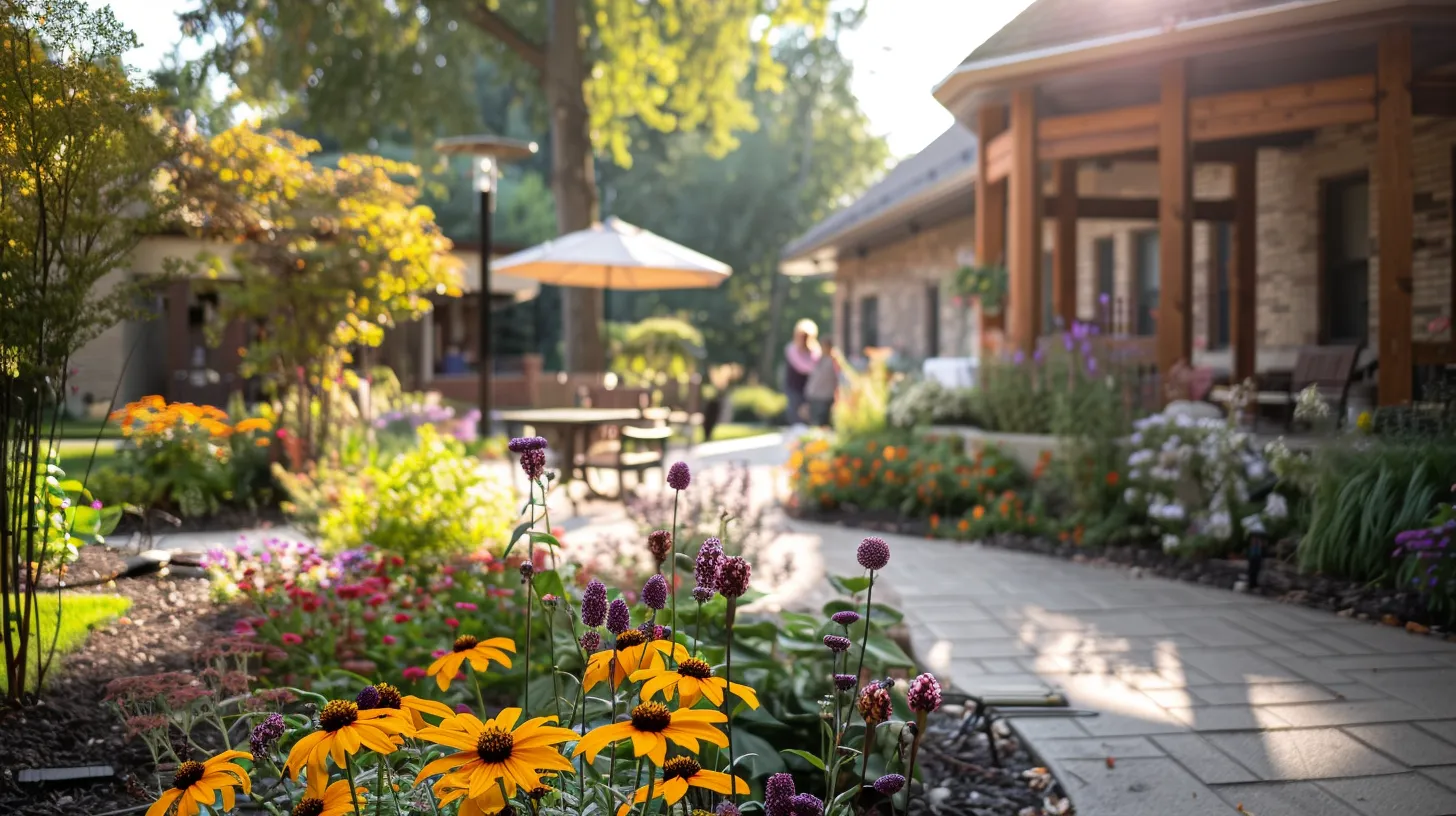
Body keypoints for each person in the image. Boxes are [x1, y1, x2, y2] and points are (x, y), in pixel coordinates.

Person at [783, 319, 820, 426]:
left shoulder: (814, 350)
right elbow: (802, 367)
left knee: (809, 415)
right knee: (795, 414)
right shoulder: (792, 349)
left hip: (811, 388)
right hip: (794, 387)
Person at [804, 338, 839, 427]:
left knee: (825, 424)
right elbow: (813, 379)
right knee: (815, 424)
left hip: (827, 397)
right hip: (815, 397)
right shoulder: (818, 360)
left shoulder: (834, 361)